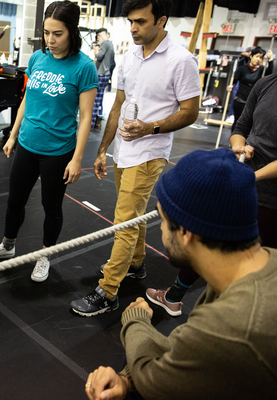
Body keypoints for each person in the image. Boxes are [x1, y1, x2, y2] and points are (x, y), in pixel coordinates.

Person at [84, 148, 277, 400]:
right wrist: (126, 379)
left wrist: (135, 320)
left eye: (164, 220)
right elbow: (187, 346)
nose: (163, 232)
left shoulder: (234, 323)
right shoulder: (269, 265)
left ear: (186, 232)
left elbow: (153, 382)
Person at [146, 18, 277, 317]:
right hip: (244, 182)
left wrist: (245, 177)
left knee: (246, 274)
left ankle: (223, 325)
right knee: (208, 242)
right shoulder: (268, 83)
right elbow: (242, 124)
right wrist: (237, 146)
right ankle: (175, 297)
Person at [70, 0, 200, 317]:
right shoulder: (130, 56)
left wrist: (150, 128)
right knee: (135, 215)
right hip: (123, 151)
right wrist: (103, 149)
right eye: (130, 21)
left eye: (140, 21)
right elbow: (118, 106)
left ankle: (108, 291)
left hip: (150, 153)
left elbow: (190, 112)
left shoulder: (181, 60)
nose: (133, 28)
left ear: (162, 20)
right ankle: (136, 264)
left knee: (124, 222)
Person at [0, 1, 97, 282]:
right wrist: (13, 134)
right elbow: (27, 99)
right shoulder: (38, 58)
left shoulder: (84, 67)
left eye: (58, 33)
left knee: (52, 207)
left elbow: (85, 117)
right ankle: (8, 246)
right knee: (15, 201)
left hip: (58, 151)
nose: (50, 40)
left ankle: (44, 255)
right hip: (27, 143)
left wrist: (77, 159)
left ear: (72, 32)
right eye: (47, 32)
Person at [227, 46, 274, 131]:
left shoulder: (262, 70)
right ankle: (234, 142)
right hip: (240, 99)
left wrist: (270, 60)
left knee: (250, 124)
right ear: (251, 56)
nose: (258, 59)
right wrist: (231, 86)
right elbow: (233, 81)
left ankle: (245, 142)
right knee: (238, 121)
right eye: (257, 56)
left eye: (261, 57)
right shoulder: (242, 69)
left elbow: (270, 74)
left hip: (254, 102)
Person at [92, 28, 115, 129]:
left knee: (95, 98)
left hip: (101, 74)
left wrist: (96, 50)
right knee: (99, 98)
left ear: (100, 35)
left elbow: (99, 56)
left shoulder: (105, 43)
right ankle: (98, 118)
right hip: (105, 74)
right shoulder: (110, 44)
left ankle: (92, 122)